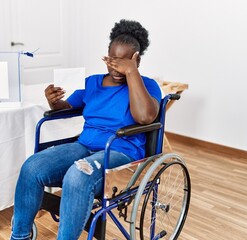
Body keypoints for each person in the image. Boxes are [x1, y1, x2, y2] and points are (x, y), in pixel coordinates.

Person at [11, 19, 162, 240]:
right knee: (32, 167)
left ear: (136, 60)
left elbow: (145, 116)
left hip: (121, 152)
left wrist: (132, 74)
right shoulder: (92, 83)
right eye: (112, 60)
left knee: (77, 176)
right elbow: (67, 107)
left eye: (124, 62)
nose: (116, 67)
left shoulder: (147, 85)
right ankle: (20, 236)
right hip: (85, 145)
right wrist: (54, 101)